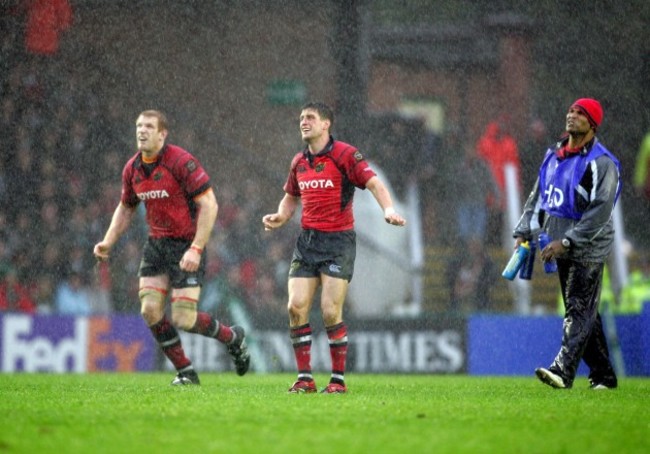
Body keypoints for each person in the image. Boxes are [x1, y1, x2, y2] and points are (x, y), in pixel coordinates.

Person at [93, 110, 250, 385]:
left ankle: (232, 337)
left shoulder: (181, 162)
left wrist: (197, 248)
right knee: (149, 310)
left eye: (149, 126)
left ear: (162, 134)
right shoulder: (132, 169)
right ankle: (186, 372)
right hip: (156, 245)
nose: (142, 131)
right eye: (139, 125)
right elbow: (126, 207)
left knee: (183, 318)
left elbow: (209, 204)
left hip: (186, 246)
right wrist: (108, 241)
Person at [262, 102, 406, 394]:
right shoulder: (299, 161)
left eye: (310, 118)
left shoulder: (345, 155)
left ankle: (337, 380)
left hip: (338, 242)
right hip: (307, 242)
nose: (304, 122)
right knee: (295, 306)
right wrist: (281, 215)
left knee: (329, 311)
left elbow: (375, 183)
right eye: (301, 118)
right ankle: (305, 378)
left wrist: (388, 210)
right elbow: (291, 197)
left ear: (326, 124)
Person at [512, 98, 621, 390]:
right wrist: (524, 231)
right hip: (558, 240)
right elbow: (539, 198)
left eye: (580, 114)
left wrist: (568, 241)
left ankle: (562, 370)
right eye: (571, 110)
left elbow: (600, 213)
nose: (572, 115)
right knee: (585, 311)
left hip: (589, 244)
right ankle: (604, 376)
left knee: (577, 307)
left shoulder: (602, 163)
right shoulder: (553, 156)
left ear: (593, 124)